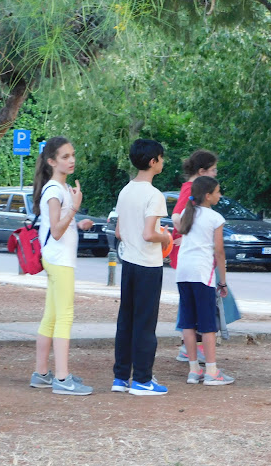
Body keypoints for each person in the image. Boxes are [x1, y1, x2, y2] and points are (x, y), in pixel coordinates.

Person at [30, 136, 95, 395]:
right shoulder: (54, 190)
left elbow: (56, 226)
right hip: (60, 260)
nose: (71, 160)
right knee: (64, 317)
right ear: (51, 161)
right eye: (65, 156)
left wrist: (77, 223)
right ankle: (61, 378)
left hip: (56, 258)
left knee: (52, 316)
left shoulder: (60, 188)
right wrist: (74, 210)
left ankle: (42, 374)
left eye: (72, 155)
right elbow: (56, 231)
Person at [112, 139, 172, 396]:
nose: (163, 162)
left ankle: (120, 377)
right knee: (145, 323)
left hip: (129, 263)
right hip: (148, 265)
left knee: (126, 320)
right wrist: (165, 237)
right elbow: (149, 234)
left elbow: (119, 231)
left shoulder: (125, 191)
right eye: (161, 157)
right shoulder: (154, 195)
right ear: (152, 161)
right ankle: (143, 380)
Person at [176, 176, 234, 386]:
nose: (220, 195)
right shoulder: (215, 218)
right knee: (208, 323)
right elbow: (219, 250)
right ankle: (211, 371)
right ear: (208, 196)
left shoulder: (187, 213)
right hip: (202, 273)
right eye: (218, 192)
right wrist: (223, 281)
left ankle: (194, 370)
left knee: (188, 322)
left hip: (183, 272)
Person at [170, 149, 218, 363]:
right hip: (195, 259)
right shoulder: (191, 189)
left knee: (191, 303)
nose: (215, 174)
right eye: (213, 170)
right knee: (195, 305)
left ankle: (191, 347)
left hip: (190, 259)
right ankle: (190, 348)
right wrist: (185, 236)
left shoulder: (190, 188)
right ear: (202, 171)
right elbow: (176, 216)